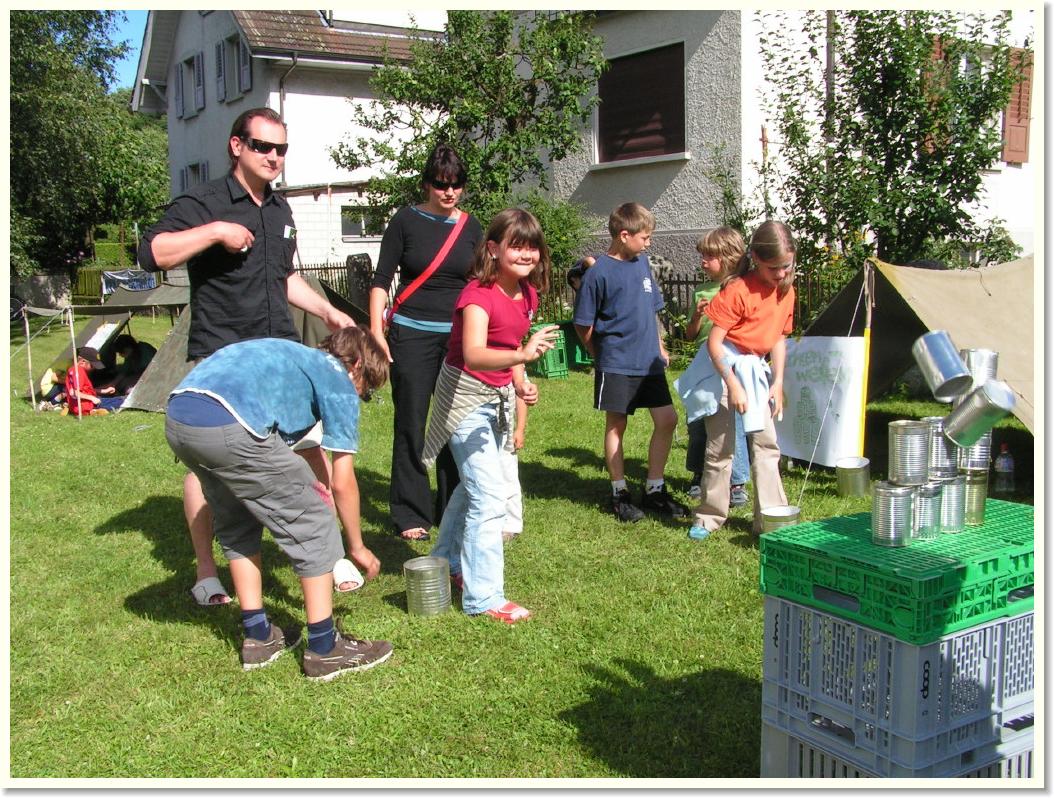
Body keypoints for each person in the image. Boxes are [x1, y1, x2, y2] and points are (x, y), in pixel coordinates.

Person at [138, 107, 355, 608]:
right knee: (209, 470)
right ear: (237, 146)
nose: (273, 157)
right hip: (223, 360)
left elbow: (285, 278)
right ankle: (206, 571)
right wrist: (215, 231)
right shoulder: (205, 201)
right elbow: (154, 252)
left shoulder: (279, 210)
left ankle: (330, 553)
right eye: (263, 146)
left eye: (281, 149)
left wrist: (328, 311)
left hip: (277, 358)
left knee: (309, 449)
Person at [164, 327, 393, 680]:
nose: (360, 396)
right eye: (366, 389)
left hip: (180, 416)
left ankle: (259, 637)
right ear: (357, 366)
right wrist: (357, 546)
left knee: (238, 519)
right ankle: (325, 649)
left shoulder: (294, 355)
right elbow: (342, 481)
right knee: (314, 516)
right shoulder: (336, 376)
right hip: (229, 424)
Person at [422, 208, 559, 623]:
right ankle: (484, 598)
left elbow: (511, 346)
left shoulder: (527, 294)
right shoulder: (477, 296)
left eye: (532, 247)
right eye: (517, 246)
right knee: (488, 496)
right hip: (463, 401)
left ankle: (446, 562)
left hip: (496, 398)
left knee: (474, 488)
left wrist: (520, 382)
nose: (526, 254)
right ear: (494, 249)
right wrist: (522, 357)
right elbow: (475, 354)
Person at [369, 143, 483, 542]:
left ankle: (453, 505)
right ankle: (410, 511)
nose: (449, 192)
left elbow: (480, 284)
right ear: (426, 184)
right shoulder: (405, 220)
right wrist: (376, 331)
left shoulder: (471, 227)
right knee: (412, 423)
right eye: (440, 184)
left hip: (457, 338)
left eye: (456, 184)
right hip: (411, 335)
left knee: (455, 423)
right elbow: (381, 279)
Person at [572, 202, 689, 523]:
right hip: (617, 363)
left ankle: (654, 489)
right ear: (624, 235)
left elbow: (650, 311)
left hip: (649, 362)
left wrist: (660, 346)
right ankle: (619, 493)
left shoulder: (643, 264)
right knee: (617, 425)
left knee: (667, 420)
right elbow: (583, 324)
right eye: (645, 237)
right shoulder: (599, 273)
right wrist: (599, 354)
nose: (648, 243)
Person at [684, 221, 796, 541]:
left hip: (755, 372)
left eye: (787, 266)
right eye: (773, 268)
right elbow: (714, 343)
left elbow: (778, 338)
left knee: (766, 445)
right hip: (724, 370)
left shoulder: (786, 291)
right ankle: (709, 516)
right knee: (720, 446)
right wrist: (732, 384)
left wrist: (777, 381)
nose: (781, 274)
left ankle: (771, 519)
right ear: (756, 259)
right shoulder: (738, 290)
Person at [681, 228, 751, 505]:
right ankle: (699, 474)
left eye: (709, 256)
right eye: (703, 256)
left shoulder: (742, 288)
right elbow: (690, 335)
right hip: (704, 364)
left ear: (729, 257)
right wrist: (697, 317)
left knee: (733, 423)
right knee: (698, 420)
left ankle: (736, 482)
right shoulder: (701, 291)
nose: (703, 261)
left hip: (732, 364)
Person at [64, 347, 125, 416]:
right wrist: (92, 398)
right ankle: (95, 410)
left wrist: (105, 391)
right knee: (121, 400)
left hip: (83, 404)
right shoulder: (78, 372)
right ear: (82, 362)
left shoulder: (73, 370)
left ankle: (96, 410)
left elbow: (85, 390)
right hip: (86, 405)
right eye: (92, 365)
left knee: (114, 400)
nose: (94, 368)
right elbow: (74, 393)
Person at [500, 393, 528, 542]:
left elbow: (521, 394)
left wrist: (520, 429)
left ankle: (512, 523)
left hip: (506, 427)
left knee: (508, 474)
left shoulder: (514, 377)